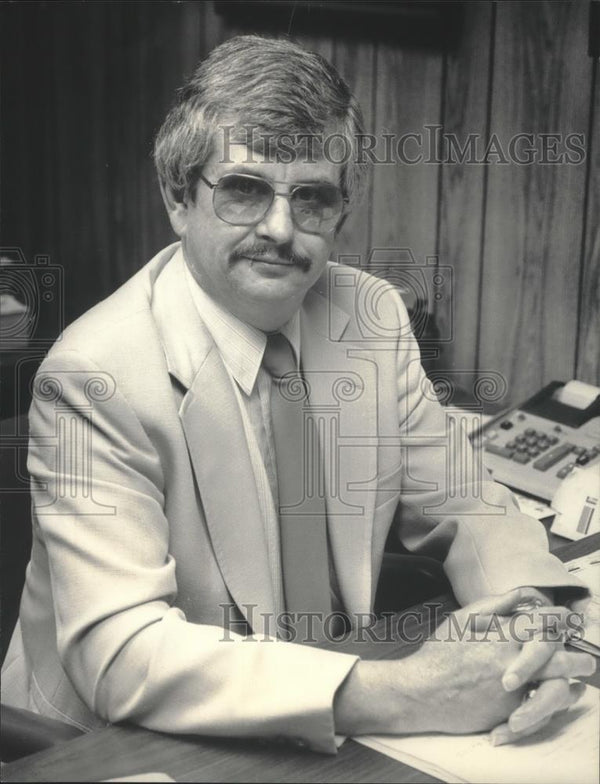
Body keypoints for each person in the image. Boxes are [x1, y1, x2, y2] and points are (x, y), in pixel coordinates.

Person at [2, 35, 594, 754]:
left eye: (312, 197)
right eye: (245, 189)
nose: (281, 230)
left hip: (323, 726)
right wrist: (411, 690)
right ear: (179, 198)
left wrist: (533, 624)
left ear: (342, 211)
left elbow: (468, 505)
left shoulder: (372, 318)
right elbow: (122, 653)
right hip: (112, 745)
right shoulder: (93, 375)